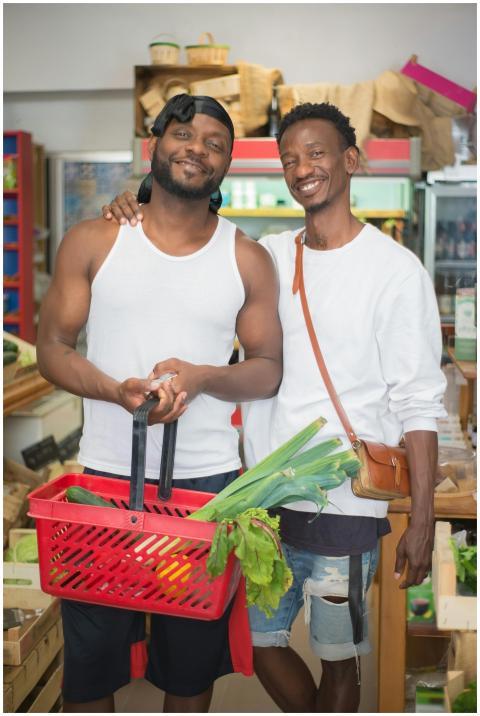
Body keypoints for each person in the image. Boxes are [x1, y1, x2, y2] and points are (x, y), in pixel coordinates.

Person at [103, 101, 446, 713]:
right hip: (260, 501)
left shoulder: (395, 271)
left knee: (340, 659)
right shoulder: (268, 252)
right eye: (290, 158)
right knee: (258, 646)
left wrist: (420, 521)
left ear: (351, 160)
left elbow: (419, 400)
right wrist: (136, 198)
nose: (302, 167)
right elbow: (187, 230)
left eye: (317, 153)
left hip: (343, 501)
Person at [37, 93, 283, 714]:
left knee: (189, 664)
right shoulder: (94, 240)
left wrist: (201, 377)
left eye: (214, 142)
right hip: (104, 486)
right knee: (90, 671)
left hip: (205, 492)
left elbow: (267, 371)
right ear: (155, 144)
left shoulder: (246, 258)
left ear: (227, 165)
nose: (196, 148)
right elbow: (52, 350)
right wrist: (116, 391)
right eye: (183, 133)